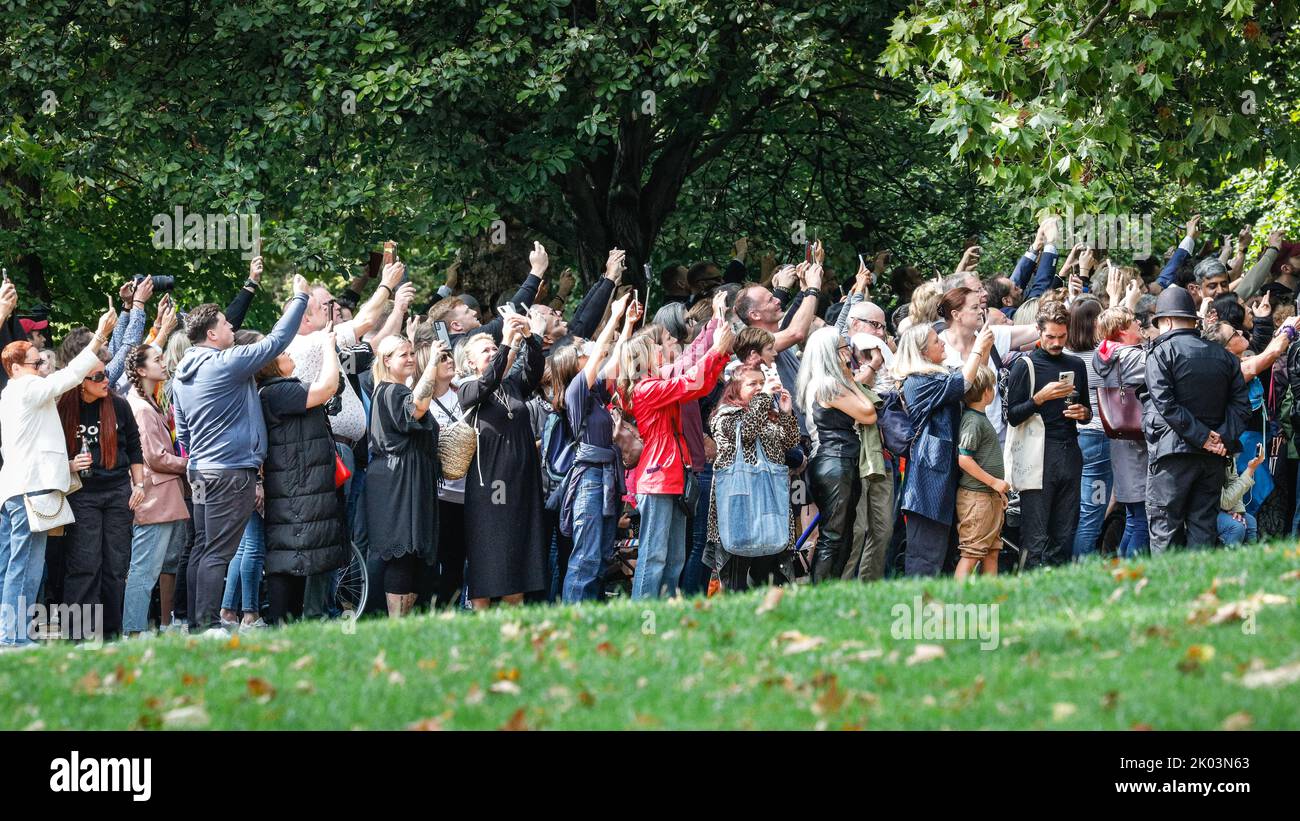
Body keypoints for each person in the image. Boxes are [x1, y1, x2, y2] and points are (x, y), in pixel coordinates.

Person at [171, 275, 310, 633]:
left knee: (203, 546)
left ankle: (194, 622)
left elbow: (182, 431)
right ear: (212, 334)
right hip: (230, 472)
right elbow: (278, 340)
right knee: (218, 552)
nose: (231, 326)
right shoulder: (224, 363)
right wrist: (299, 298)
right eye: (225, 323)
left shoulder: (181, 375)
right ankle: (205, 626)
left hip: (200, 470)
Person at [0, 303, 117, 646]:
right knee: (26, 566)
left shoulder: (14, 393)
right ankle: (13, 636)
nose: (42, 368)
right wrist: (98, 337)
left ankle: (12, 633)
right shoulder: (25, 389)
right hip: (30, 488)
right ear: (15, 367)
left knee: (14, 564)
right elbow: (68, 377)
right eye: (36, 363)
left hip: (19, 488)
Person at [615, 319, 733, 599]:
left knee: (675, 558)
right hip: (658, 479)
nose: (660, 349)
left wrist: (721, 354)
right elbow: (690, 382)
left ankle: (664, 620)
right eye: (654, 346)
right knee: (654, 556)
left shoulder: (655, 386)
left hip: (672, 476)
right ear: (643, 357)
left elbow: (698, 387)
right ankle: (644, 621)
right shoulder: (646, 389)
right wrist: (716, 350)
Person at [249, 328, 351, 624]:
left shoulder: (280, 389)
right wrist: (328, 347)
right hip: (294, 487)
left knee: (295, 557)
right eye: (282, 353)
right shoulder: (277, 391)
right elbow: (327, 388)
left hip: (298, 485)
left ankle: (289, 627)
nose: (288, 353)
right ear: (269, 364)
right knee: (287, 558)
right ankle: (281, 624)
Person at [1143, 286, 1250, 553]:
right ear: (1194, 320)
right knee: (1203, 529)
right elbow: (1241, 407)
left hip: (1173, 456)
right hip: (1213, 459)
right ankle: (1201, 592)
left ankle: (1167, 594)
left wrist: (1203, 437)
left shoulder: (1161, 353)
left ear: (1166, 321)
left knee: (1166, 530)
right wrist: (1220, 438)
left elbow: (1165, 404)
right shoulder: (1226, 357)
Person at [56, 343, 146, 641]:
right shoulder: (64, 407)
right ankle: (80, 634)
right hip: (83, 493)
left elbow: (134, 446)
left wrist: (140, 485)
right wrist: (70, 463)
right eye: (97, 377)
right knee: (84, 563)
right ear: (81, 380)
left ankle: (110, 633)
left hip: (118, 491)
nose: (105, 380)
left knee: (115, 564)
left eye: (105, 374)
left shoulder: (118, 405)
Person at [458, 312, 547, 608]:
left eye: (494, 349)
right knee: (489, 552)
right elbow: (488, 381)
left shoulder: (512, 386)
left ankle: (515, 614)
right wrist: (507, 343)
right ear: (471, 362)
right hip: (490, 486)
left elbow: (534, 372)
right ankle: (482, 620)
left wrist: (531, 338)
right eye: (486, 350)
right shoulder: (468, 389)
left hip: (522, 480)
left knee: (519, 549)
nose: (493, 352)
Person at [892, 323, 993, 576]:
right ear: (922, 351)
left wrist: (985, 350)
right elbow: (961, 384)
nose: (943, 344)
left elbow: (973, 382)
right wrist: (978, 350)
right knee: (925, 558)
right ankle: (917, 609)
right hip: (928, 485)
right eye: (937, 341)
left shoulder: (937, 375)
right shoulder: (915, 382)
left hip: (944, 480)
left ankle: (941, 608)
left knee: (946, 556)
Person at [557, 292, 636, 602]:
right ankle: (573, 617)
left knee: (601, 555)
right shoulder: (576, 392)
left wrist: (627, 325)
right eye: (581, 353)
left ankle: (588, 614)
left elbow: (614, 360)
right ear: (572, 365)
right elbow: (602, 351)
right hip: (590, 479)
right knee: (586, 557)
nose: (589, 355)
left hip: (605, 478)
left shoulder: (596, 396)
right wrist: (614, 316)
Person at [1005, 302, 1090, 569]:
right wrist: (1038, 399)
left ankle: (1058, 588)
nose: (1056, 342)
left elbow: (1087, 409)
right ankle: (1029, 585)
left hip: (1069, 449)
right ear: (1039, 333)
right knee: (1035, 534)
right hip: (1038, 453)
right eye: (1050, 336)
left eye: (1062, 337)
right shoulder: (1025, 364)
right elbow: (1013, 416)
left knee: (1065, 531)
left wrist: (1083, 413)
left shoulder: (1075, 363)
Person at [367, 335, 443, 617]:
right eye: (404, 355)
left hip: (408, 476)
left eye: (412, 353)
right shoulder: (390, 391)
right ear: (386, 360)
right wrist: (433, 362)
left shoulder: (394, 390)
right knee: (402, 552)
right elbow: (417, 407)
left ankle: (405, 623)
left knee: (411, 555)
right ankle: (396, 624)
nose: (411, 358)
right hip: (398, 480)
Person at [706, 364, 799, 591]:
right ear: (735, 388)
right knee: (736, 576)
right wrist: (765, 396)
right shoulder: (724, 416)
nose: (759, 387)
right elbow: (746, 433)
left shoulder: (767, 414)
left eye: (761, 382)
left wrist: (786, 413)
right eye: (752, 384)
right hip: (739, 504)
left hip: (769, 503)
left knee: (768, 573)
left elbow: (790, 442)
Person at [798, 326, 878, 581]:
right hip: (836, 461)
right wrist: (851, 380)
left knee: (841, 532)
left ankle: (829, 589)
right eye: (844, 348)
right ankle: (821, 593)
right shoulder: (829, 384)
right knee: (834, 534)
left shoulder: (819, 383)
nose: (849, 353)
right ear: (832, 353)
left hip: (835, 461)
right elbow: (868, 413)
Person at [123, 345, 189, 636]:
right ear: (140, 370)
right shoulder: (140, 408)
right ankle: (134, 631)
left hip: (163, 496)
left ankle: (143, 627)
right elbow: (155, 457)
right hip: (154, 498)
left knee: (156, 566)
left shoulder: (149, 401)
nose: (163, 364)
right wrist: (190, 463)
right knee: (144, 568)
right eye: (157, 360)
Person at [413, 323, 468, 609]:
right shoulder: (423, 401)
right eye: (442, 358)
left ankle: (452, 608)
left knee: (457, 557)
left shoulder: (463, 392)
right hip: (436, 493)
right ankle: (430, 609)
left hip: (465, 490)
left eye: (449, 357)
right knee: (434, 557)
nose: (449, 361)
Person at [1093, 307, 1151, 558]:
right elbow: (1163, 367)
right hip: (1135, 442)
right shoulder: (1130, 357)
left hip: (1120, 440)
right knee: (1142, 519)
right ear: (1122, 331)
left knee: (1132, 515)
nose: (1139, 324)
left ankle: (1118, 567)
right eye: (1133, 322)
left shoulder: (1104, 354)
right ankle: (1132, 572)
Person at [1063, 296, 1111, 558]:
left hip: (1074, 438)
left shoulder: (1066, 356)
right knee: (1094, 507)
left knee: (1076, 508)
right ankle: (1082, 564)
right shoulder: (1100, 357)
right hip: (1098, 438)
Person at [955, 368, 1008, 579]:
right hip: (977, 499)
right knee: (972, 552)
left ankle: (989, 599)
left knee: (991, 551)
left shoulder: (979, 417)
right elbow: (964, 458)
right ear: (987, 392)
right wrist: (994, 482)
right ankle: (956, 601)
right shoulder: (973, 422)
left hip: (989, 498)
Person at [1218, 450, 1264, 546]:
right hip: (1201, 511)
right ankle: (1226, 560)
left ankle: (1251, 559)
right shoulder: (1212, 453)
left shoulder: (1228, 449)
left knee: (1250, 522)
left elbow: (1233, 481)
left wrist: (1237, 510)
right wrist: (1250, 470)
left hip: (1219, 505)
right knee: (1236, 527)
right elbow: (1225, 502)